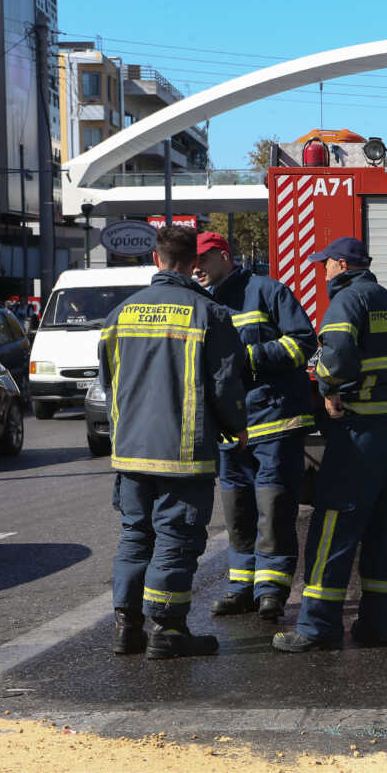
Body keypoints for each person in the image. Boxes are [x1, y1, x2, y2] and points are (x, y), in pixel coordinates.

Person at [98, 225, 248, 659]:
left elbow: (108, 381)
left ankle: (127, 628)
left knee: (134, 536)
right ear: (193, 264)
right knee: (175, 539)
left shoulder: (121, 314)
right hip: (182, 454)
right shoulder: (208, 312)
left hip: (129, 451)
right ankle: (168, 631)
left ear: (154, 260)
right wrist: (236, 427)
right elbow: (224, 383)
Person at [272, 236, 387, 652]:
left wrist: (331, 390)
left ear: (339, 264)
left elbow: (334, 354)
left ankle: (317, 627)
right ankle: (376, 625)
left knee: (333, 524)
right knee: (384, 529)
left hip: (357, 429)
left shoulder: (348, 301)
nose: (323, 272)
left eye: (325, 265)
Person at [193, 231, 316, 622]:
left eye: (204, 259)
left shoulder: (267, 292)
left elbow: (302, 343)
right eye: (192, 261)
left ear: (225, 256)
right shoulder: (200, 303)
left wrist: (247, 357)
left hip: (274, 422)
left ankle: (271, 591)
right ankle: (240, 587)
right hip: (230, 429)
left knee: (274, 510)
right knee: (238, 513)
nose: (196, 267)